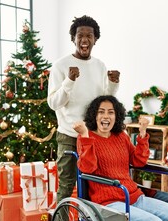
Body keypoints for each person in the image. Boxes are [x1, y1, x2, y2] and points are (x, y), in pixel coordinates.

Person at [73, 95, 168, 221]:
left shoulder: (121, 137)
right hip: (109, 203)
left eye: (111, 112)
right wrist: (85, 135)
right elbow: (87, 168)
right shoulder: (86, 137)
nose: (106, 116)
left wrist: (142, 133)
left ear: (116, 116)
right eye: (101, 111)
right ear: (94, 115)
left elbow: (138, 161)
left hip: (134, 196)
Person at [47, 15, 120, 210]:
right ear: (73, 38)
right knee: (66, 185)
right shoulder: (60, 66)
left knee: (92, 186)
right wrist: (69, 81)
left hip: (93, 136)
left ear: (95, 39)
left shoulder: (99, 66)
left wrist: (113, 84)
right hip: (69, 136)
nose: (84, 39)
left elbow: (104, 101)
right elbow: (53, 103)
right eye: (80, 35)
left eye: (89, 35)